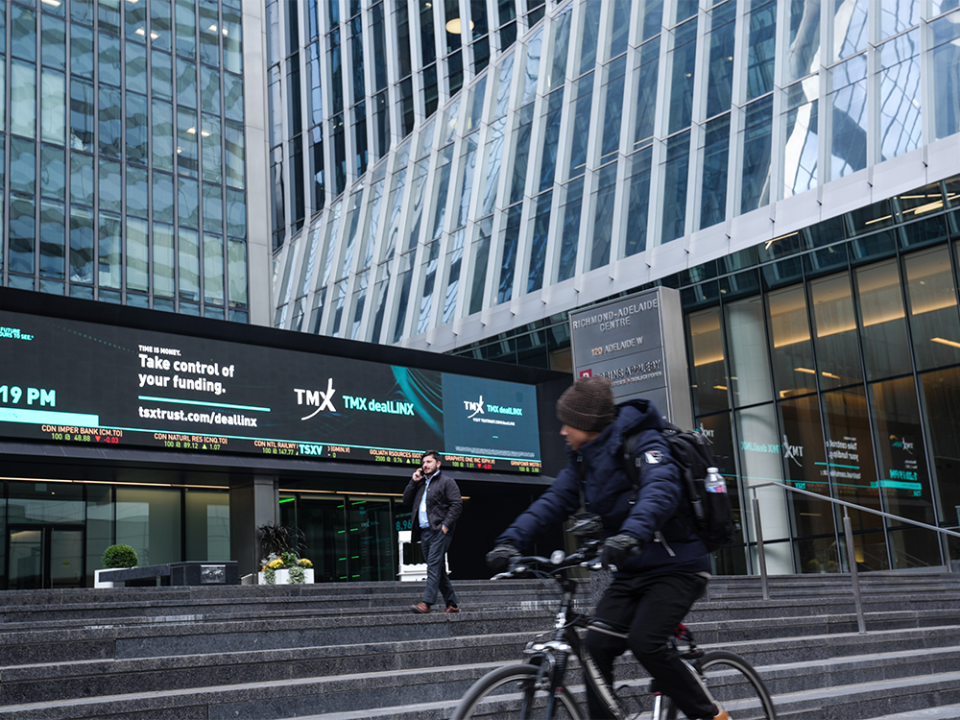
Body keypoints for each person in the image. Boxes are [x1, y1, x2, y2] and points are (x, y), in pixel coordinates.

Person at [486, 376, 728, 720]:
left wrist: (630, 535)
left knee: (647, 643)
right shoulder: (584, 460)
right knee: (596, 645)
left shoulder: (644, 442)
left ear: (587, 423)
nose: (563, 432)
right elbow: (553, 502)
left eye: (568, 423)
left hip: (678, 566)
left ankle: (712, 715)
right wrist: (511, 541)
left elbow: (659, 492)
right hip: (632, 568)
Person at [404, 450, 463, 614]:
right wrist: (413, 481)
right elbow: (406, 500)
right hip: (424, 532)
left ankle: (427, 603)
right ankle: (453, 605)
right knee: (437, 567)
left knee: (433, 566)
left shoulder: (447, 482)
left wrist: (445, 525)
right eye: (424, 463)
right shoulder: (420, 484)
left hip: (439, 531)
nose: (425, 465)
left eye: (429, 462)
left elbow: (456, 505)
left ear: (438, 464)